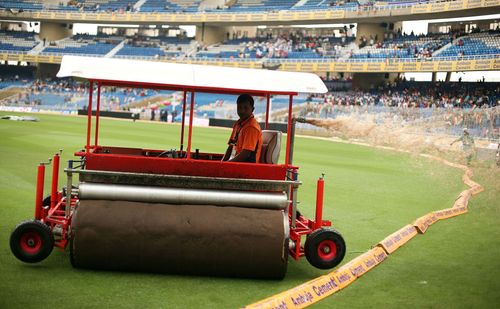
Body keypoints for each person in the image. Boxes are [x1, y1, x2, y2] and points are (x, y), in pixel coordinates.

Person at [222, 94, 262, 163]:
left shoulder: (251, 127)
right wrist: (222, 163)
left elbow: (246, 154)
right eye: (239, 107)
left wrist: (227, 164)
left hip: (247, 167)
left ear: (252, 109)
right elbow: (230, 147)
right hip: (239, 164)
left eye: (246, 108)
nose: (242, 111)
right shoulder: (238, 124)